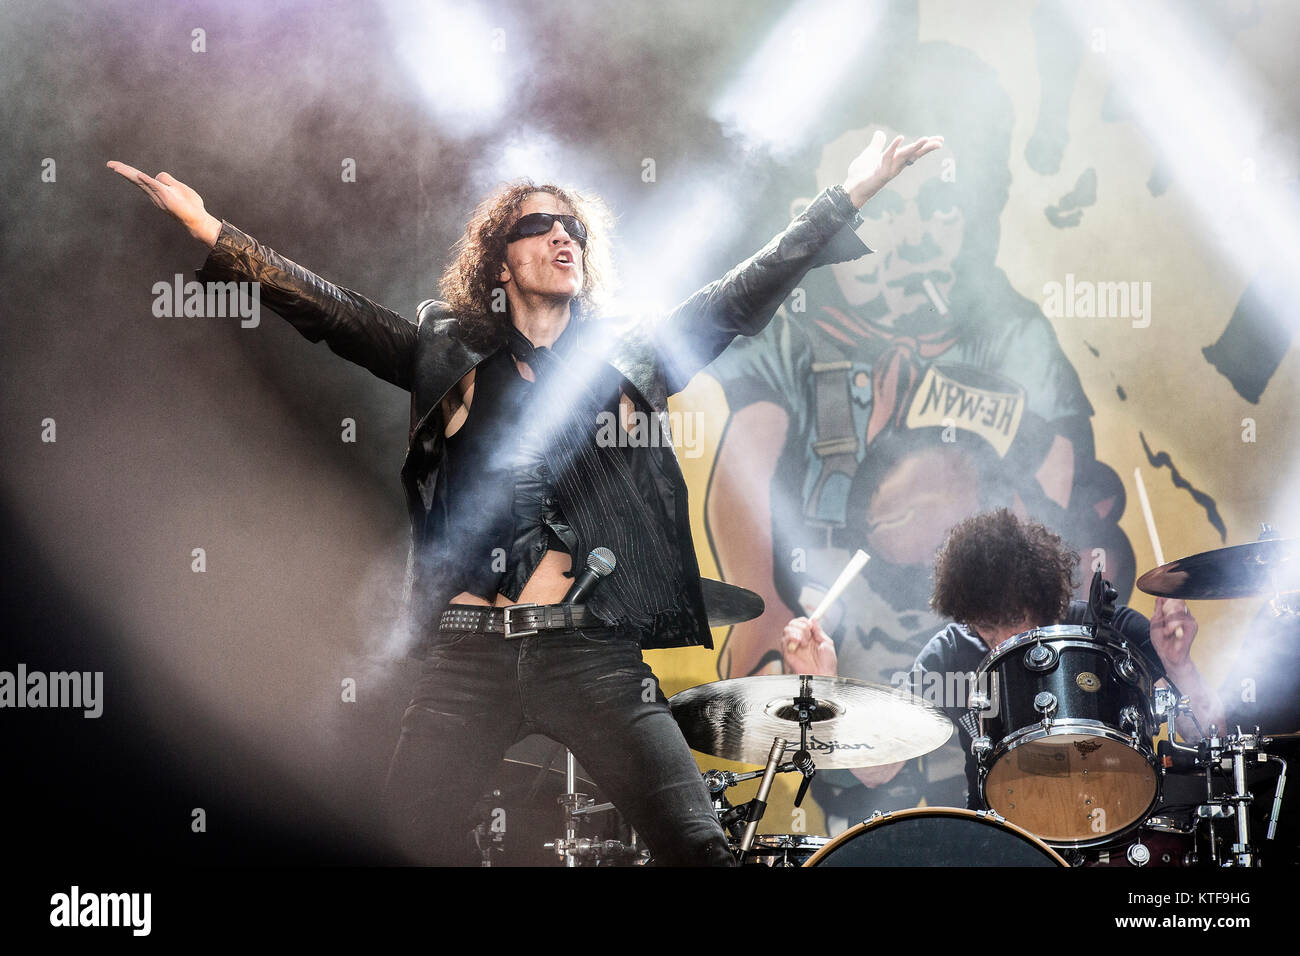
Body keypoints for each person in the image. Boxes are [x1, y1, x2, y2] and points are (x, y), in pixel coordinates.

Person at [106, 129, 942, 866]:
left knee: (698, 849)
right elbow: (338, 314)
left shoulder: (628, 361)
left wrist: (850, 193)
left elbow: (743, 294)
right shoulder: (449, 354)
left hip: (593, 654)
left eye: (572, 226)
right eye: (536, 226)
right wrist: (215, 233)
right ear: (500, 260)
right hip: (470, 655)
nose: (560, 236)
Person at [782, 509, 1224, 815]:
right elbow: (876, 770)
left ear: (1045, 598)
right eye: (985, 629)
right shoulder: (951, 653)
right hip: (1004, 842)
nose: (1001, 642)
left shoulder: (1108, 629)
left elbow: (1210, 736)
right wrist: (822, 683)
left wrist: (1180, 667)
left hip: (1119, 830)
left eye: (1014, 621)